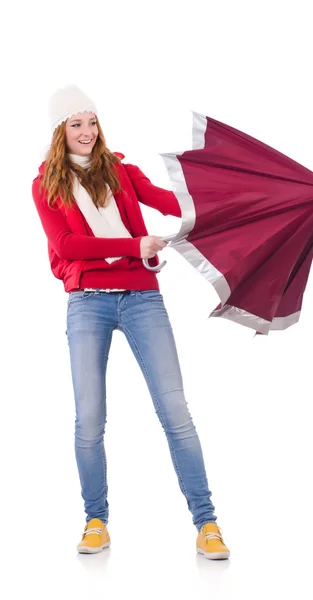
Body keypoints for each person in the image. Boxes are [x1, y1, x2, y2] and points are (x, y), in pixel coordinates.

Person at [32, 84, 230, 560]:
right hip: (87, 303)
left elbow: (172, 203)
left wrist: (233, 201)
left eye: (91, 122)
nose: (86, 131)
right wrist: (132, 246)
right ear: (60, 131)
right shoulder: (45, 184)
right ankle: (95, 520)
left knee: (175, 413)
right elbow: (66, 248)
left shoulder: (121, 170)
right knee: (89, 420)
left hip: (141, 298)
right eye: (75, 124)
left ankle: (207, 524)